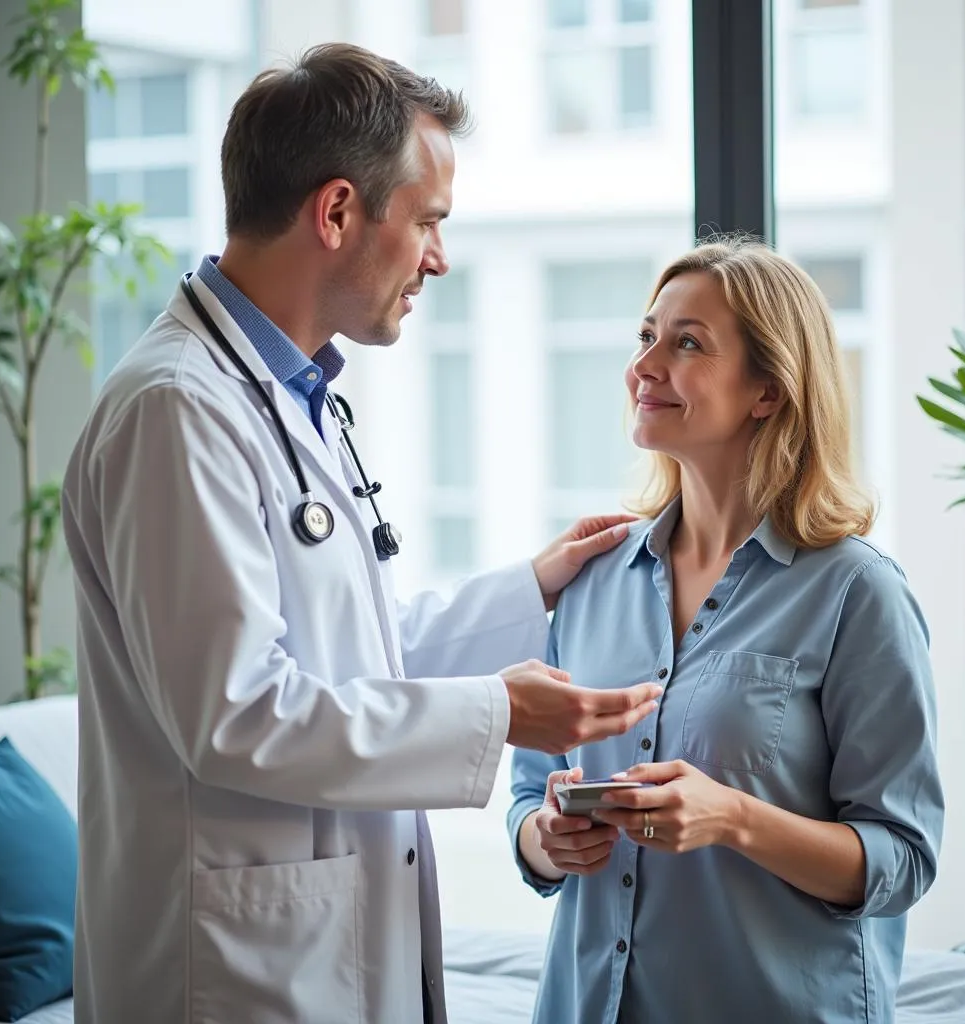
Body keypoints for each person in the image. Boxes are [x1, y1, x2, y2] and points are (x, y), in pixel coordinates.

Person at [60, 44, 662, 1024]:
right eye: (427, 221)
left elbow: (356, 657)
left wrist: (535, 586)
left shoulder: (296, 398)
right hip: (231, 973)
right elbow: (239, 713)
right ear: (336, 212)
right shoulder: (175, 409)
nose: (439, 256)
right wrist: (494, 713)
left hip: (318, 947)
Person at [508, 238, 945, 1024]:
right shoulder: (590, 579)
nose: (645, 366)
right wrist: (544, 839)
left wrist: (735, 819)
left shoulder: (858, 594)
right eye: (647, 337)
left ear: (768, 392)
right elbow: (530, 796)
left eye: (687, 344)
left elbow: (902, 860)